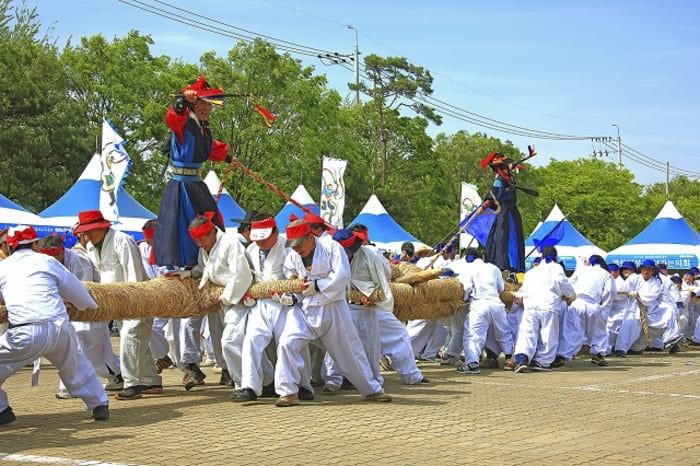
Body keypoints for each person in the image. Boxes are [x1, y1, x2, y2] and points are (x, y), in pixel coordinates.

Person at [0, 226, 109, 425]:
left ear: (10, 246)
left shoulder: (3, 267)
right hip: (59, 326)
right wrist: (88, 305)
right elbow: (76, 290)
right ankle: (99, 404)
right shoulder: (47, 261)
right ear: (35, 244)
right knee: (77, 365)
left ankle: (2, 410)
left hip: (25, 331)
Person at [275, 220, 391, 407]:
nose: (297, 249)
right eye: (293, 246)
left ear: (310, 236)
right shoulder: (293, 256)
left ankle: (372, 390)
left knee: (350, 352)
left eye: (299, 244)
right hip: (305, 309)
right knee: (287, 343)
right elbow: (292, 278)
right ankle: (288, 392)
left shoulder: (332, 247)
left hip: (333, 308)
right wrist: (292, 296)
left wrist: (318, 285)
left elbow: (342, 276)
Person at [75, 210, 159, 400]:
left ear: (101, 227)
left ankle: (131, 383)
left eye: (88, 231)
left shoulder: (122, 240)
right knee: (139, 341)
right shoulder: (90, 247)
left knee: (131, 337)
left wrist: (134, 302)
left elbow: (134, 274)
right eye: (84, 232)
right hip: (115, 303)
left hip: (135, 299)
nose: (85, 236)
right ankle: (151, 379)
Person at [168, 212, 254, 391]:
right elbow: (205, 268)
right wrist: (189, 273)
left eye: (202, 240)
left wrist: (225, 296)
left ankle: (245, 383)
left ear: (211, 233)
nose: (199, 244)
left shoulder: (230, 244)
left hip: (236, 297)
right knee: (217, 337)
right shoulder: (204, 248)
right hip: (218, 298)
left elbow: (241, 274)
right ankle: (228, 371)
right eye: (197, 241)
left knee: (232, 340)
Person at [154, 75, 233, 267]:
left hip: (196, 185)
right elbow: (173, 117)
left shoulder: (202, 128)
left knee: (211, 223)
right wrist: (181, 102)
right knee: (184, 226)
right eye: (204, 104)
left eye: (210, 105)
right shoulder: (184, 123)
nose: (208, 108)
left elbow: (210, 148)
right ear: (194, 105)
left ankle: (213, 262)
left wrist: (229, 157)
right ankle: (188, 264)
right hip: (182, 187)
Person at [38, 235, 124, 399]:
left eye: (54, 255)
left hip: (89, 310)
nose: (52, 260)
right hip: (69, 312)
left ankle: (115, 375)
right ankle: (77, 384)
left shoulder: (79, 260)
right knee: (80, 349)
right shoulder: (47, 262)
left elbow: (84, 289)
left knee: (91, 350)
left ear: (61, 251)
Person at [349, 224, 426, 385]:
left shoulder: (337, 251)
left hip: (346, 307)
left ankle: (336, 379)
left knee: (347, 344)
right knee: (399, 336)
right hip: (370, 306)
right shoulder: (371, 252)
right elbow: (386, 272)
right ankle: (411, 375)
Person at [231, 214, 297, 402]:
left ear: (275, 232)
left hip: (284, 304)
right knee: (251, 340)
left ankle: (299, 385)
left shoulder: (288, 247)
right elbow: (248, 276)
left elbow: (296, 276)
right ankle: (250, 387)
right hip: (260, 305)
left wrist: (289, 295)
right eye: (257, 239)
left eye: (265, 238)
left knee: (287, 344)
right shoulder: (251, 250)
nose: (261, 243)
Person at [512, 246, 575, 372]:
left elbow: (524, 290)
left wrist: (515, 295)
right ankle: (542, 361)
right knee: (548, 335)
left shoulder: (532, 271)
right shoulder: (556, 268)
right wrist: (571, 295)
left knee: (527, 334)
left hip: (531, 306)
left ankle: (522, 358)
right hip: (548, 306)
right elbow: (563, 284)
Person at [456, 249, 513, 374]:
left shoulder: (468, 269)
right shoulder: (493, 268)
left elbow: (466, 288)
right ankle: (510, 359)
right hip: (496, 303)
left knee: (473, 335)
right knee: (503, 332)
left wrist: (463, 300)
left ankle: (472, 363)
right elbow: (501, 288)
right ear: (481, 257)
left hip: (479, 304)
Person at [559, 255, 614, 366]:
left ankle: (563, 355)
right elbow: (610, 292)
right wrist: (604, 308)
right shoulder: (605, 273)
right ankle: (598, 355)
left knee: (573, 331)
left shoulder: (581, 270)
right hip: (593, 304)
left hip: (577, 303)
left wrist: (569, 298)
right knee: (598, 332)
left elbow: (569, 284)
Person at [620, 260, 682, 354]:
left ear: (653, 271)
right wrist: (628, 293)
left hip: (651, 310)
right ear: (641, 270)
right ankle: (620, 349)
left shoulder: (657, 281)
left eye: (649, 270)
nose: (646, 271)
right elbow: (622, 289)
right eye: (645, 269)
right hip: (633, 309)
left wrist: (638, 294)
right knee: (628, 327)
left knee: (665, 316)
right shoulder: (634, 278)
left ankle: (636, 348)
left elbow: (650, 297)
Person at [477, 151, 525, 272]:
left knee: (500, 242)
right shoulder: (509, 178)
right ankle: (511, 269)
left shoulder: (500, 180)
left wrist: (482, 208)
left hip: (504, 216)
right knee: (510, 241)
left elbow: (493, 196)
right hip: (513, 215)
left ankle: (502, 269)